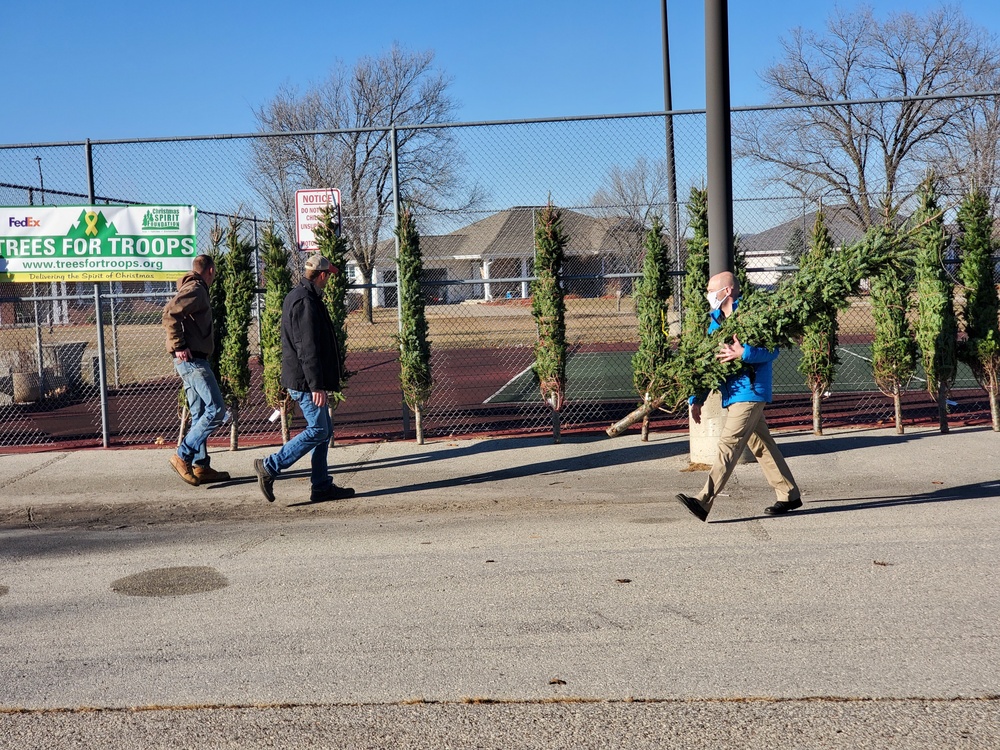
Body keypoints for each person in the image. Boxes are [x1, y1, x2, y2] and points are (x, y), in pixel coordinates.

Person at [675, 271, 801, 521]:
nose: (708, 295)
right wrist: (696, 399)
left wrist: (744, 353)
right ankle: (789, 494)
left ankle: (703, 500)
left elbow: (771, 350)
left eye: (712, 290)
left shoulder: (753, 315)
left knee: (729, 444)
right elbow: (708, 364)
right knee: (761, 445)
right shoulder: (715, 321)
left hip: (751, 392)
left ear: (728, 291)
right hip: (733, 394)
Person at [255, 253, 355, 503]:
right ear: (321, 275)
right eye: (328, 276)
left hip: (306, 379)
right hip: (305, 381)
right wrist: (316, 385)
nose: (329, 280)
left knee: (324, 430)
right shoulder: (304, 301)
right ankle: (270, 466)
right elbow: (306, 347)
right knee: (319, 429)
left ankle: (321, 486)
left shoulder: (304, 296)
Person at [162, 253, 230, 486]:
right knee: (216, 409)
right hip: (193, 361)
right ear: (210, 271)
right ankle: (183, 456)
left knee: (200, 412)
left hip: (194, 360)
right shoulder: (197, 289)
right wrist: (179, 345)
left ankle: (201, 466)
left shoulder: (194, 288)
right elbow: (170, 313)